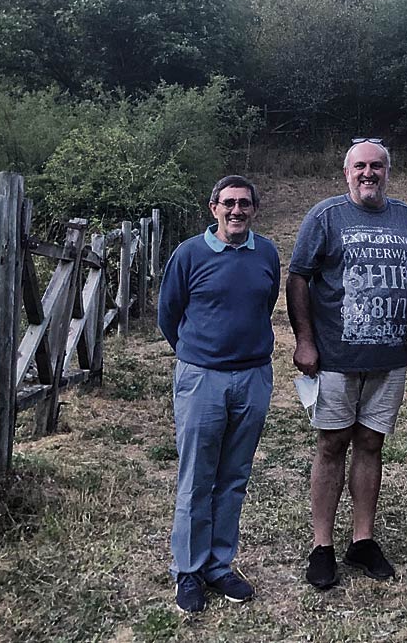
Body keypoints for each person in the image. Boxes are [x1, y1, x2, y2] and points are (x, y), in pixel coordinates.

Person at [287, 138, 407, 589]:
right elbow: (299, 277)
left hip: (389, 359)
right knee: (331, 445)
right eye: (360, 166)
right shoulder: (326, 216)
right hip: (335, 358)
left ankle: (362, 540)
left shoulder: (405, 217)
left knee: (370, 444)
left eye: (377, 166)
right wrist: (305, 340)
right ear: (346, 173)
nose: (369, 173)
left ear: (388, 171)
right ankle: (322, 545)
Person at [157, 175, 280, 613]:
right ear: (213, 208)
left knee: (233, 477)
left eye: (244, 204)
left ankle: (219, 564)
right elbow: (169, 314)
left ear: (254, 209)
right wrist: (199, 353)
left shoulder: (266, 252)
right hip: (202, 378)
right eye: (228, 203)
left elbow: (264, 305)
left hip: (252, 379)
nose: (236, 211)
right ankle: (187, 571)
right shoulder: (190, 253)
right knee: (196, 478)